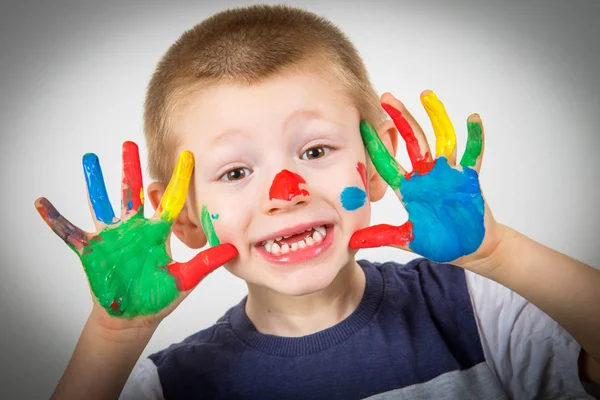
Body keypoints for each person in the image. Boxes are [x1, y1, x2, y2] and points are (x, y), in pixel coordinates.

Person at [35, 4, 600, 399]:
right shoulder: (171, 385)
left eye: (315, 150)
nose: (287, 193)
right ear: (180, 213)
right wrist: (114, 338)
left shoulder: (474, 310)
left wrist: (496, 252)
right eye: (235, 170)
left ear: (379, 163)